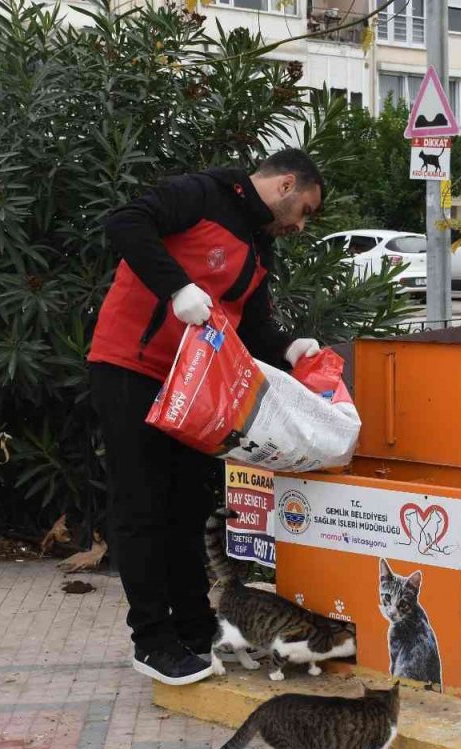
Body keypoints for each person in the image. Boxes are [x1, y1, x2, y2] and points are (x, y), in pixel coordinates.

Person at [87, 149, 323, 686]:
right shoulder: (201, 194)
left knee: (187, 506)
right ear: (286, 185)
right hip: (132, 367)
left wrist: (289, 349)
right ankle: (152, 641)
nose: (301, 224)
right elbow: (125, 221)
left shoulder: (259, 247)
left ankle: (196, 628)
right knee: (142, 507)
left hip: (195, 389)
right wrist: (177, 287)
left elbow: (254, 326)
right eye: (304, 210)